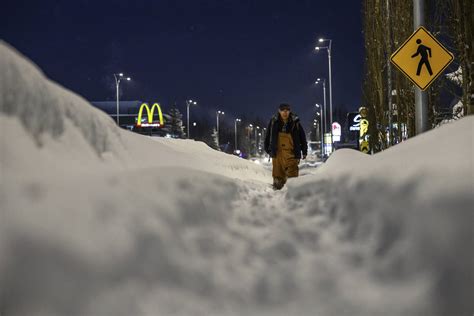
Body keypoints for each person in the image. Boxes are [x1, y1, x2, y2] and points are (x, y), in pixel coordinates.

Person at [264, 103, 308, 190]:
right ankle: (277, 199)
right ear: (279, 111)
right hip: (277, 154)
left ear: (289, 111)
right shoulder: (274, 121)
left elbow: (302, 137)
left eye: (287, 110)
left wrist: (304, 151)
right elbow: (268, 136)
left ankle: (293, 196)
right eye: (283, 110)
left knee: (293, 179)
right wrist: (268, 149)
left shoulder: (295, 122)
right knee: (278, 178)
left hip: (292, 154)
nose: (285, 112)